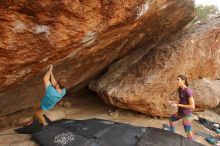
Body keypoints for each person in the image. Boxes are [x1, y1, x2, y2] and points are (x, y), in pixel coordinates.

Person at [169, 75, 195, 140]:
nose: (176, 81)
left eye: (178, 79)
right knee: (171, 120)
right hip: (180, 112)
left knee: (188, 132)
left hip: (186, 114)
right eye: (176, 79)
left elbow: (192, 106)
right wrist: (174, 102)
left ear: (183, 81)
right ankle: (172, 133)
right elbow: (182, 101)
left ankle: (191, 143)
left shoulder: (188, 91)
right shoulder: (180, 89)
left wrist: (178, 105)